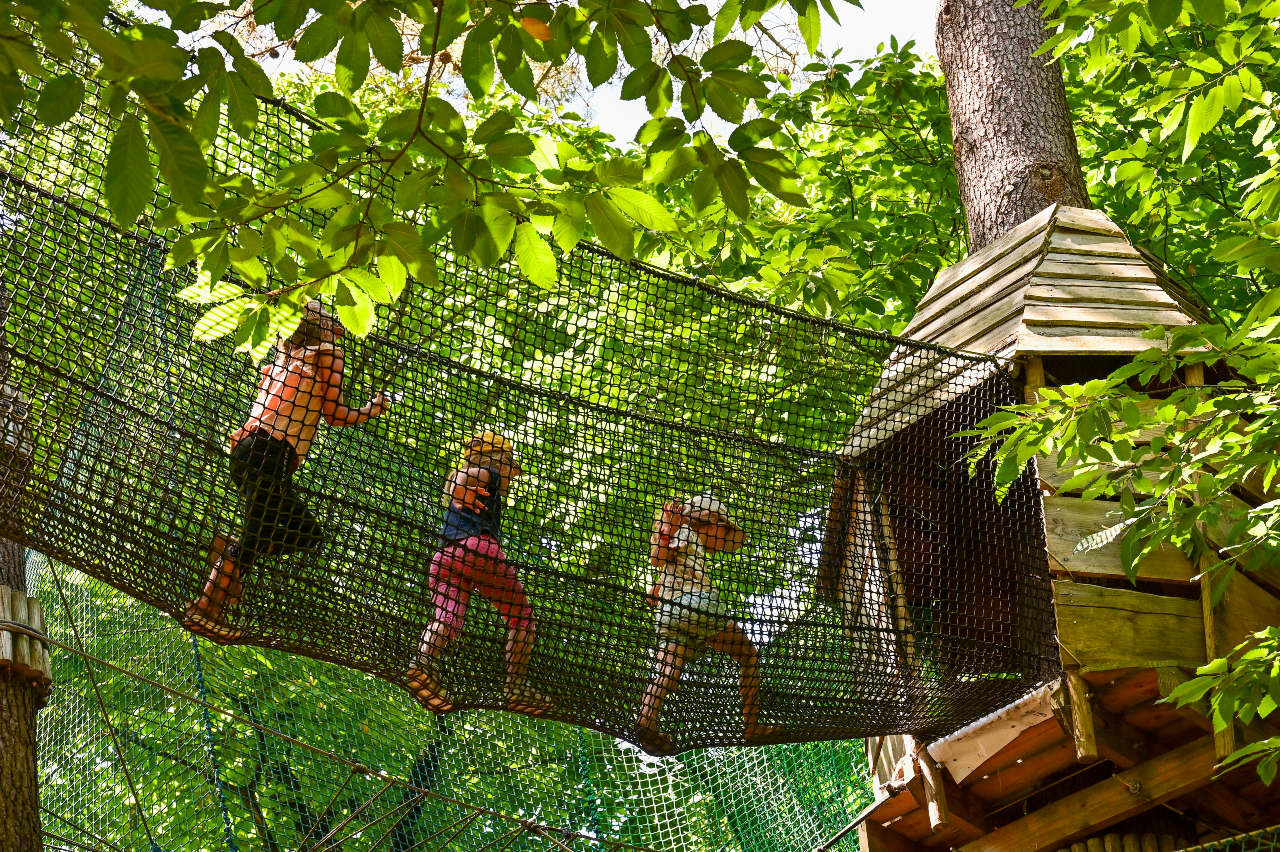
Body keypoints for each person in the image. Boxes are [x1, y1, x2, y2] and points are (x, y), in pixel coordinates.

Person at [181, 301, 390, 642]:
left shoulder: (286, 352)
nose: (337, 324)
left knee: (308, 534)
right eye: (330, 318)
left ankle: (232, 555)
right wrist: (372, 410)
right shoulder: (328, 353)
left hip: (247, 451)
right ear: (321, 325)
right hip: (269, 453)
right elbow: (335, 415)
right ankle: (205, 609)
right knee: (253, 540)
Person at [407, 432, 552, 716]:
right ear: (501, 460)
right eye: (511, 466)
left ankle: (422, 663)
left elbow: (462, 477)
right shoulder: (491, 474)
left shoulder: (472, 480)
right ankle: (515, 686)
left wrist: (459, 481)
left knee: (445, 619)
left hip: (444, 559)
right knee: (521, 618)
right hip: (480, 552)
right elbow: (468, 474)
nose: (513, 475)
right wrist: (464, 478)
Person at [637, 494, 778, 754]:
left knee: (666, 670)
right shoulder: (686, 532)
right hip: (698, 605)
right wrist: (668, 531)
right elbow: (658, 557)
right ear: (713, 524)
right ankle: (752, 725)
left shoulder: (686, 546)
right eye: (724, 533)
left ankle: (647, 720)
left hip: (668, 614)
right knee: (748, 656)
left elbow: (653, 594)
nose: (722, 545)